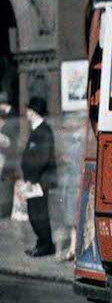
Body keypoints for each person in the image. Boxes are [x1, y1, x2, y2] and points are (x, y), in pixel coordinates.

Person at [20, 95, 56, 257]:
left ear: (34, 112)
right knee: (34, 213)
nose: (26, 112)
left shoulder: (43, 131)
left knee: (39, 214)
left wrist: (32, 180)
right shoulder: (37, 129)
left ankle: (46, 245)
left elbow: (42, 158)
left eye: (29, 109)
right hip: (34, 180)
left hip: (39, 181)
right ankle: (42, 243)